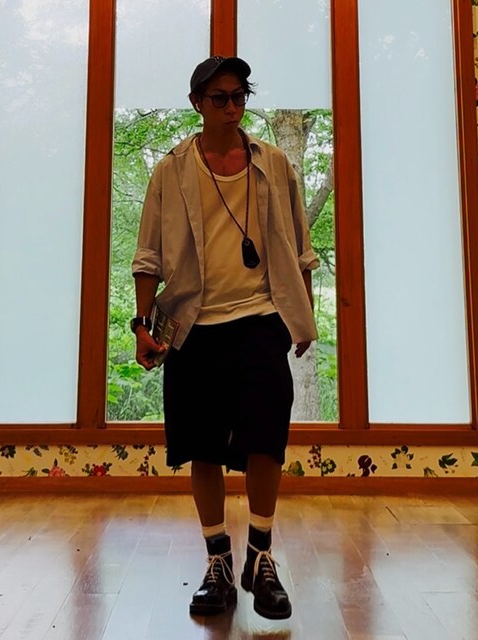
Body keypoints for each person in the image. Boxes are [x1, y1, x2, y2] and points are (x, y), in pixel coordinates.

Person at [131, 55, 319, 620]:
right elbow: (147, 257)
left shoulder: (274, 163)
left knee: (267, 440)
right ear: (197, 103)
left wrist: (302, 316)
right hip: (194, 325)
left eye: (240, 96)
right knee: (203, 448)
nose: (232, 107)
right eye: (220, 98)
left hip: (262, 319)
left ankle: (260, 557)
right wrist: (142, 326)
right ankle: (217, 561)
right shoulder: (171, 171)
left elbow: (300, 248)